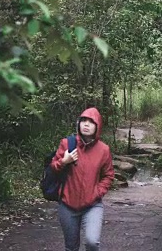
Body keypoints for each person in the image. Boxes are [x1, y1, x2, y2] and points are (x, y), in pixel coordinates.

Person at [50, 107, 115, 251]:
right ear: (78, 123)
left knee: (92, 242)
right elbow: (53, 167)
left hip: (92, 205)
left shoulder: (103, 150)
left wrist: (97, 192)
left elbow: (109, 175)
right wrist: (63, 161)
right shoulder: (67, 144)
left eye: (91, 122)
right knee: (71, 247)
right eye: (83, 120)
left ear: (97, 126)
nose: (86, 124)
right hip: (67, 204)